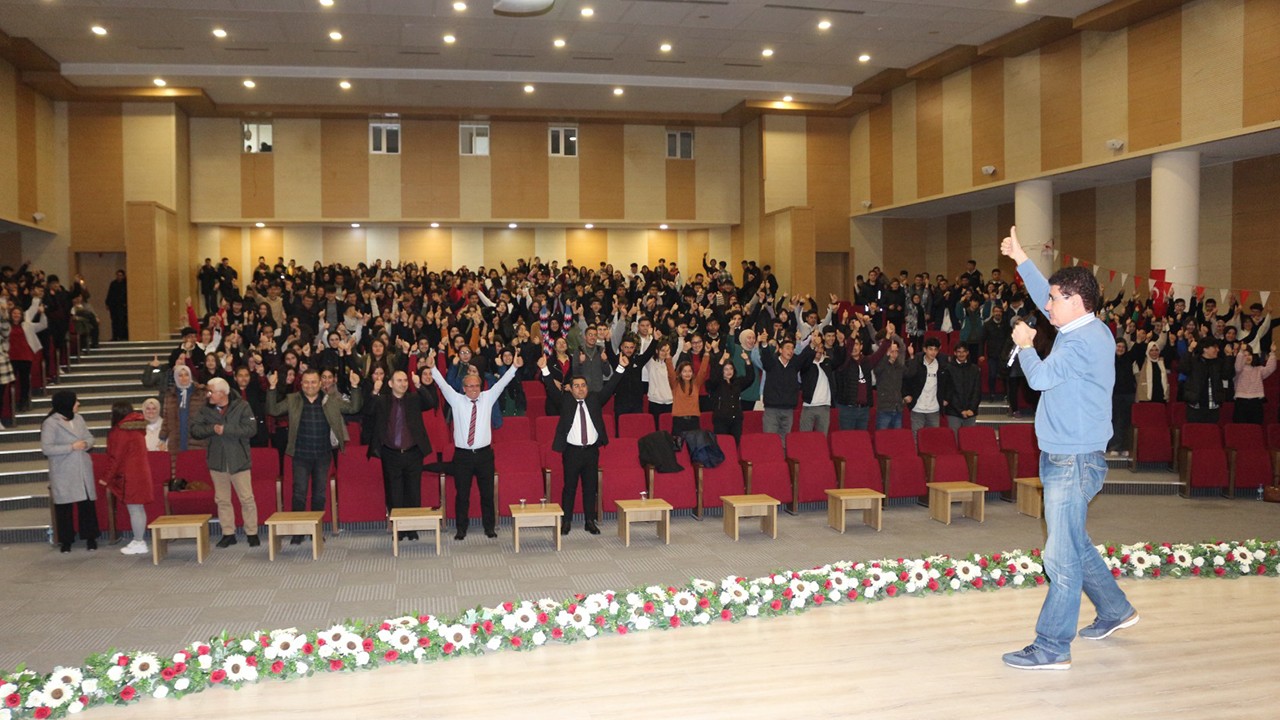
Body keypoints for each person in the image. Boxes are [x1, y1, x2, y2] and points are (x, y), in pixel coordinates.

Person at [999, 226, 1137, 671]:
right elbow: (1046, 294)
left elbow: (1039, 379)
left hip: (1071, 458)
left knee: (1059, 557)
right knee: (1075, 543)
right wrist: (1022, 260)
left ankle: (1052, 645)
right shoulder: (1084, 327)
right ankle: (1115, 610)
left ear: (1076, 301)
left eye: (1055, 300)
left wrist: (1025, 347)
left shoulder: (1080, 342)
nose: (1047, 306)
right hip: (1070, 452)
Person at [429, 351, 520, 540]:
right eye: (470, 386)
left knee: (487, 494)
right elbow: (443, 385)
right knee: (462, 495)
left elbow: (502, 384)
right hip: (462, 456)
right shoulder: (456, 400)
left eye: (477, 385)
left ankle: (489, 527)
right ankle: (461, 529)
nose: (474, 389)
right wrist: (433, 368)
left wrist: (514, 367)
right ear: (463, 388)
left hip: (484, 455)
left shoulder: (487, 397)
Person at [267, 368, 363, 544]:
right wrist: (272, 388)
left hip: (323, 455)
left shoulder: (331, 400)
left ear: (320, 384)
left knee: (319, 495)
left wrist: (355, 387)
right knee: (299, 494)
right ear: (301, 384)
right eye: (306, 382)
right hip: (300, 455)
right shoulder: (293, 399)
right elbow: (273, 410)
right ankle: (298, 532)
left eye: (313, 382)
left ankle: (315, 531)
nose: (310, 385)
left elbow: (353, 408)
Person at [539, 351, 627, 535]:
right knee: (569, 488)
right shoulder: (565, 401)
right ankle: (566, 521)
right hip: (572, 452)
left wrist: (620, 367)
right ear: (570, 389)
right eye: (576, 386)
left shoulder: (594, 400)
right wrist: (544, 369)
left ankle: (589, 521)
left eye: (583, 386)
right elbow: (552, 390)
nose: (580, 389)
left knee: (590, 487)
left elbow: (610, 386)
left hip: (591, 451)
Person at [365, 368, 438, 540]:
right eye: (399, 380)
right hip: (390, 454)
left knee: (413, 492)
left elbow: (430, 403)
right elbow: (368, 410)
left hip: (413, 453)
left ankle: (411, 529)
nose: (403, 383)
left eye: (405, 380)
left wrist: (419, 386)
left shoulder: (413, 399)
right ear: (390, 384)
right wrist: (374, 391)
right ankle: (398, 529)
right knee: (394, 493)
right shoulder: (382, 400)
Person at [190, 377, 261, 548]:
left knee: (247, 498)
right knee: (222, 500)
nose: (208, 395)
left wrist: (226, 429)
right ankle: (228, 533)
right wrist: (212, 429)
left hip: (239, 459)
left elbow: (251, 429)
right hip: (217, 460)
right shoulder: (205, 410)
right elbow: (195, 430)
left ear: (222, 393)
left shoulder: (242, 406)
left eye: (211, 391)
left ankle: (252, 532)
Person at [42, 391, 98, 553]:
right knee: (64, 507)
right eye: (75, 401)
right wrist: (71, 447)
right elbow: (47, 448)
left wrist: (86, 444)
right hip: (63, 470)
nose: (78, 404)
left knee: (86, 505)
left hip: (82, 468)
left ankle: (90, 538)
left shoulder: (79, 419)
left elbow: (89, 437)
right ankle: (66, 540)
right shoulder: (51, 423)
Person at [98, 401, 154, 555]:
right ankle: (139, 539)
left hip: (129, 476)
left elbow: (115, 458)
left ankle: (139, 541)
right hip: (141, 473)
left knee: (135, 509)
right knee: (139, 508)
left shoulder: (120, 431)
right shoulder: (137, 428)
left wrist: (106, 477)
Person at [939, 343, 981, 429]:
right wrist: (960, 410)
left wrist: (971, 409)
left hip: (970, 412)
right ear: (955, 353)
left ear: (967, 352)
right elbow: (949, 392)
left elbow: (977, 391)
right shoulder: (948, 369)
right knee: (954, 436)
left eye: (964, 352)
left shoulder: (975, 369)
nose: (961, 354)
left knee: (968, 437)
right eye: (959, 352)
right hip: (953, 412)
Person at [106, 269, 128, 340]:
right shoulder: (113, 284)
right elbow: (110, 294)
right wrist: (107, 303)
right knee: (114, 321)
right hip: (114, 306)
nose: (119, 277)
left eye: (120, 275)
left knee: (122, 321)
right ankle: (115, 336)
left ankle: (122, 336)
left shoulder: (126, 284)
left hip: (122, 306)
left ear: (123, 276)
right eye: (118, 275)